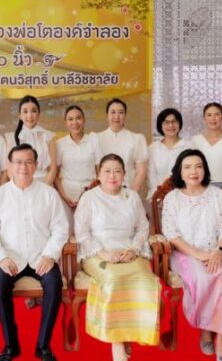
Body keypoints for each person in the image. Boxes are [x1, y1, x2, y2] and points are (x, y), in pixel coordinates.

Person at [0, 143, 68, 361]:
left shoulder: (49, 194)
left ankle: (43, 346)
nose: (23, 167)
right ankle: (11, 346)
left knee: (54, 282)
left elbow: (60, 228)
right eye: (18, 162)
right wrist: (1, 258)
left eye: (29, 161)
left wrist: (50, 255)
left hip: (42, 257)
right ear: (9, 166)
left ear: (36, 165)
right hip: (11, 258)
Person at [75, 154, 161, 361]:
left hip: (128, 251)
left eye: (117, 171)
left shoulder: (131, 196)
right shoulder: (89, 197)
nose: (112, 176)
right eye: (107, 171)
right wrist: (103, 253)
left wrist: (133, 249)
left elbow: (142, 227)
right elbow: (81, 232)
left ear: (124, 174)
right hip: (98, 253)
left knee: (146, 281)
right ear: (98, 174)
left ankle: (130, 333)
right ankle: (118, 347)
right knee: (114, 281)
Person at [162, 149, 222, 361]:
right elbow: (171, 234)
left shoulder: (216, 194)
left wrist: (219, 251)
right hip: (186, 254)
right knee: (203, 277)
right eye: (187, 167)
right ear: (180, 171)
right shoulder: (172, 198)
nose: (193, 171)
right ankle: (206, 330)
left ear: (204, 169)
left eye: (198, 166)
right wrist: (198, 254)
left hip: (217, 251)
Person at [55, 105, 102, 230]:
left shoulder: (93, 140)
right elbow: (55, 174)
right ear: (66, 123)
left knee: (88, 230)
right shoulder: (60, 144)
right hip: (67, 193)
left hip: (90, 192)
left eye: (78, 118)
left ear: (84, 120)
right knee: (68, 230)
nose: (75, 122)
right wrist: (65, 197)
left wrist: (92, 188)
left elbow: (100, 172)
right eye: (70, 119)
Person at [96, 98, 148, 193]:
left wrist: (132, 194)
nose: (116, 116)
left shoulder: (137, 139)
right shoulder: (97, 139)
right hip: (103, 191)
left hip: (129, 188)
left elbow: (141, 171)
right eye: (113, 112)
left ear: (125, 115)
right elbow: (96, 169)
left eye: (121, 112)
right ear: (107, 115)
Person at [5, 95, 57, 185]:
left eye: (34, 111)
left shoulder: (49, 136)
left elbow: (53, 168)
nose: (29, 115)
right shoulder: (11, 138)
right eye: (25, 111)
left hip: (44, 184)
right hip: (20, 185)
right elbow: (9, 169)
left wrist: (44, 189)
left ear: (39, 113)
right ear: (20, 115)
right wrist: (21, 186)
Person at [147, 108, 192, 202]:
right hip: (158, 197)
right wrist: (160, 195)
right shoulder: (153, 148)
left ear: (180, 123)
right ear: (160, 125)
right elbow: (151, 176)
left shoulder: (189, 146)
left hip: (184, 198)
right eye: (166, 122)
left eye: (174, 121)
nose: (171, 125)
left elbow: (191, 174)